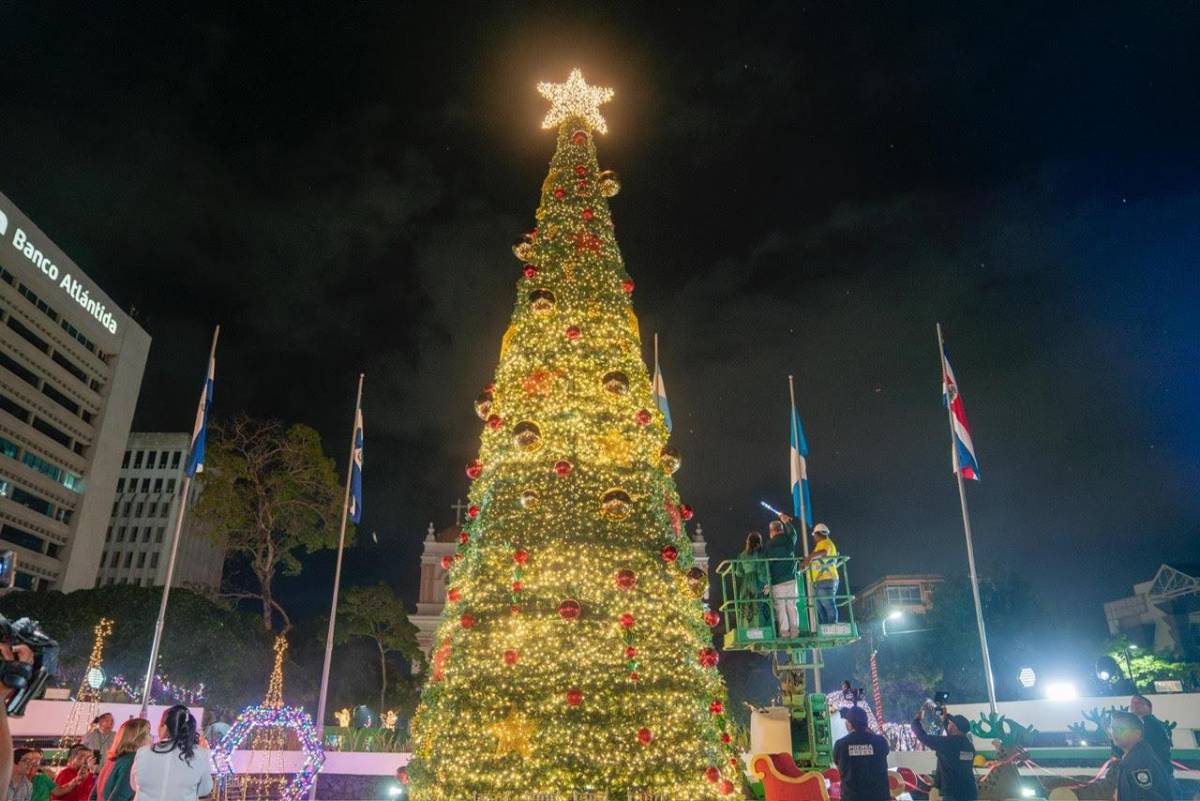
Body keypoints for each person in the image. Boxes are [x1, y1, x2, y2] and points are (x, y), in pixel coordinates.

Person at [130, 705, 212, 801]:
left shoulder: (143, 752)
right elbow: (205, 789)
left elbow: (134, 785)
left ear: (164, 727)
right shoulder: (199, 754)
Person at [911, 707, 977, 801]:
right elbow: (953, 744)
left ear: (955, 728)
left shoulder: (948, 744)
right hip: (969, 792)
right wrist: (944, 719)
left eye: (950, 723)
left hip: (953, 795)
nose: (948, 725)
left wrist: (916, 721)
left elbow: (923, 737)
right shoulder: (969, 746)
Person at [1110, 710, 1173, 801]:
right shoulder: (1133, 757)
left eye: (1121, 729)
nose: (1114, 733)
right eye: (1112, 729)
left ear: (1137, 733)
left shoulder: (1139, 762)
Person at [834, 706, 890, 801]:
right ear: (866, 724)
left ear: (850, 724)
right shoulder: (881, 742)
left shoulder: (841, 745)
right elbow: (885, 751)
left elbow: (838, 767)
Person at [764, 513, 801, 637]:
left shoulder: (769, 545)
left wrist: (767, 583)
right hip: (791, 579)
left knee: (780, 607)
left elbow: (767, 565)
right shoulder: (788, 539)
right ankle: (795, 631)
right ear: (781, 529)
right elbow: (794, 534)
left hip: (776, 581)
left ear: (772, 531)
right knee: (792, 606)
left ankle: (784, 632)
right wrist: (787, 522)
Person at [96, 718, 151, 801]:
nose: (152, 739)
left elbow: (93, 796)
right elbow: (119, 797)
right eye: (149, 734)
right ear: (138, 739)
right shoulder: (132, 761)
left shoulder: (112, 760)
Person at [799, 522, 840, 623]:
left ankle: (832, 627)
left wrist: (808, 558)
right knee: (821, 609)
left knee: (827, 605)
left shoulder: (826, 543)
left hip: (825, 579)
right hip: (819, 581)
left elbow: (823, 553)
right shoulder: (820, 545)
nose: (814, 538)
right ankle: (826, 628)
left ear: (818, 534)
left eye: (814, 535)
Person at [1129, 694, 1174, 780]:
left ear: (1148, 707)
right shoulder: (1155, 723)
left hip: (1156, 774)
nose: (1133, 705)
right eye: (1132, 703)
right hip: (1160, 772)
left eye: (1138, 703)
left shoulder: (1148, 724)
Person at [734, 531, 772, 630]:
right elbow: (762, 570)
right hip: (758, 580)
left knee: (746, 603)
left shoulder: (741, 555)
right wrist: (767, 583)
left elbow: (738, 572)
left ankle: (746, 627)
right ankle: (761, 626)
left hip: (746, 582)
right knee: (760, 603)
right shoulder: (760, 554)